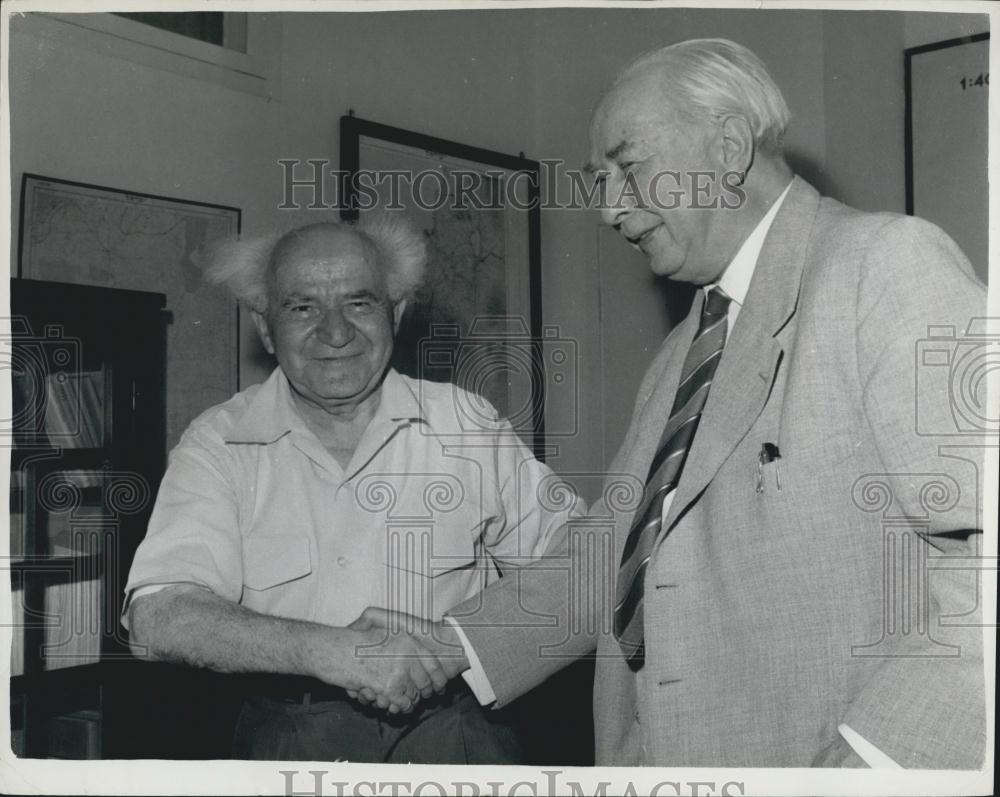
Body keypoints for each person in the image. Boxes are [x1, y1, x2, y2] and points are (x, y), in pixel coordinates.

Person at [356, 38, 988, 768]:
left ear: (726, 146)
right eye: (598, 180)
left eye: (627, 167)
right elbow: (612, 557)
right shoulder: (682, 350)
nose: (607, 207)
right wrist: (445, 644)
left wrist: (878, 755)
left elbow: (986, 555)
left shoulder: (886, 265)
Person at [123, 214, 581, 763]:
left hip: (460, 736)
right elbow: (160, 618)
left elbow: (585, 563)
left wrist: (460, 642)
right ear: (266, 328)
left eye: (359, 303)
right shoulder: (218, 443)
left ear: (397, 313)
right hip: (287, 741)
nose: (335, 332)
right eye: (302, 307)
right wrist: (336, 652)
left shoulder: (466, 423)